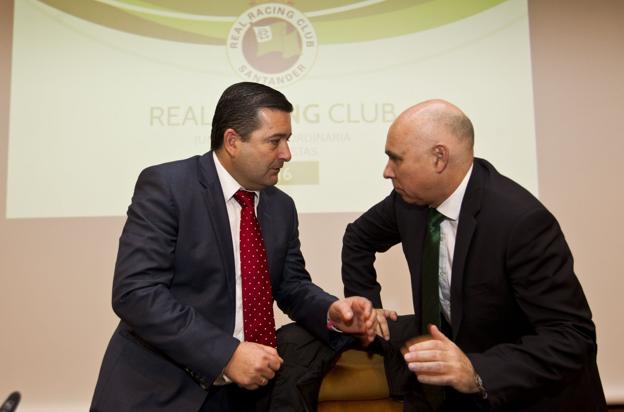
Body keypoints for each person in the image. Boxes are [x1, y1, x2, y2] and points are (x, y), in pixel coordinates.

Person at [90, 82, 377, 412]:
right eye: (275, 141)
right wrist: (225, 354)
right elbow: (136, 293)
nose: (287, 154)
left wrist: (331, 311)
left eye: (288, 140)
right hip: (161, 393)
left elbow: (291, 285)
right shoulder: (168, 187)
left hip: (244, 397)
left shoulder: (281, 207)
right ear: (232, 141)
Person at [342, 99, 606, 411]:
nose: (387, 172)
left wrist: (479, 371)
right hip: (449, 394)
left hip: (523, 394)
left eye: (395, 159)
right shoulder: (407, 202)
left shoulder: (520, 221)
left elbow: (571, 336)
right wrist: (368, 303)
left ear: (439, 158)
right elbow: (358, 238)